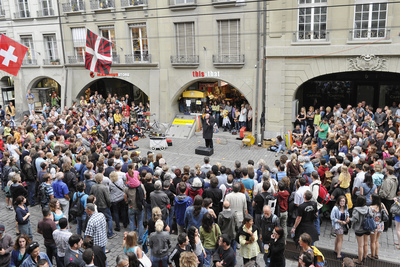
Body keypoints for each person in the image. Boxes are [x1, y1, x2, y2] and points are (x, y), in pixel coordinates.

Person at [90, 173, 116, 239]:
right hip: (104, 205)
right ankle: (110, 233)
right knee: (109, 218)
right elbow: (107, 198)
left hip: (96, 205)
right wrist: (109, 205)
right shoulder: (104, 187)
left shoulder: (93, 187)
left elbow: (91, 195)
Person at [350, 195, 373, 265]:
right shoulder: (368, 209)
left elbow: (354, 219)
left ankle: (359, 260)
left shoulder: (356, 209)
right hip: (367, 228)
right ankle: (364, 257)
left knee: (360, 245)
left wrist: (349, 219)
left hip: (359, 229)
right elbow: (372, 216)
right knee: (366, 244)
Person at [368, 193, 388, 260]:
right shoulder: (382, 205)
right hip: (381, 224)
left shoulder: (371, 207)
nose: (370, 197)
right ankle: (376, 254)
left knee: (372, 241)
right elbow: (387, 213)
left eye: (371, 197)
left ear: (373, 199)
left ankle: (372, 255)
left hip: (374, 225)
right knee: (376, 240)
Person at [330, 195, 350, 259]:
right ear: (338, 201)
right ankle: (338, 254)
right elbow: (332, 217)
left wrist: (347, 217)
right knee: (340, 239)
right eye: (341, 201)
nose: (342, 202)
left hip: (342, 225)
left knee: (338, 238)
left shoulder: (346, 207)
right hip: (337, 226)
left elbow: (347, 213)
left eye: (343, 201)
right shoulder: (335, 208)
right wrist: (340, 221)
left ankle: (336, 250)